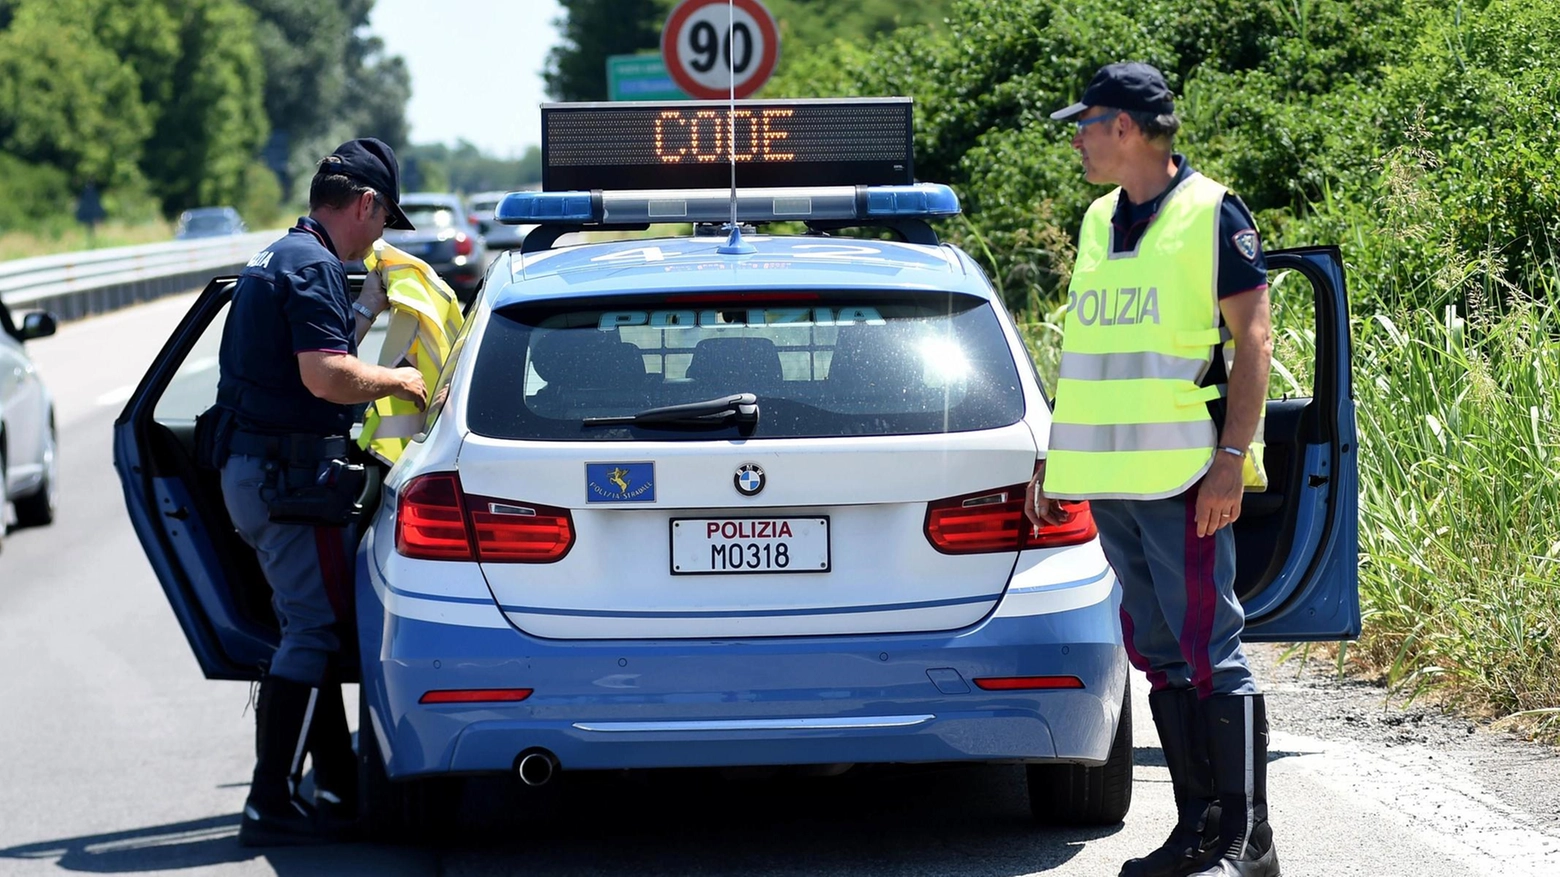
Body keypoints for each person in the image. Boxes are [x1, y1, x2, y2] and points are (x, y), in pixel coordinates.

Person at [1028, 63, 1278, 877]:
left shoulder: (1213, 213)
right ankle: (1196, 831)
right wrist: (1057, 456)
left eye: (1086, 124)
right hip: (1112, 481)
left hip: (1182, 475)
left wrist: (1232, 461)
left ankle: (1250, 842)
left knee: (1214, 651)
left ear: (1126, 127)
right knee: (1163, 655)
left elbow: (1254, 341)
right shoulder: (1099, 218)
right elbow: (1089, 355)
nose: (1078, 139)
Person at [210, 137, 428, 846]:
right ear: (364, 203)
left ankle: (334, 785)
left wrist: (361, 313)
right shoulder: (310, 266)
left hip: (261, 472)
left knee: (313, 629)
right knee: (310, 634)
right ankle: (269, 801)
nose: (380, 238)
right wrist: (400, 379)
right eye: (383, 221)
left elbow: (303, 358)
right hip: (289, 481)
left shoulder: (279, 255)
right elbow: (325, 377)